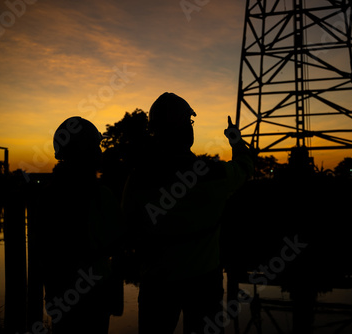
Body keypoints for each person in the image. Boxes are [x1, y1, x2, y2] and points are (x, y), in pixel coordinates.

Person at [122, 92, 253, 334]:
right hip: (204, 284)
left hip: (157, 285)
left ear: (155, 131)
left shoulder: (139, 179)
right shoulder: (214, 174)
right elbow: (245, 167)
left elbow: (127, 229)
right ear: (187, 129)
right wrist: (235, 141)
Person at [36, 116, 124, 334]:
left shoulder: (48, 197)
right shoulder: (101, 196)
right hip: (95, 297)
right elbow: (117, 243)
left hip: (60, 296)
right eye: (96, 147)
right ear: (83, 151)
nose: (100, 153)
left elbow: (44, 253)